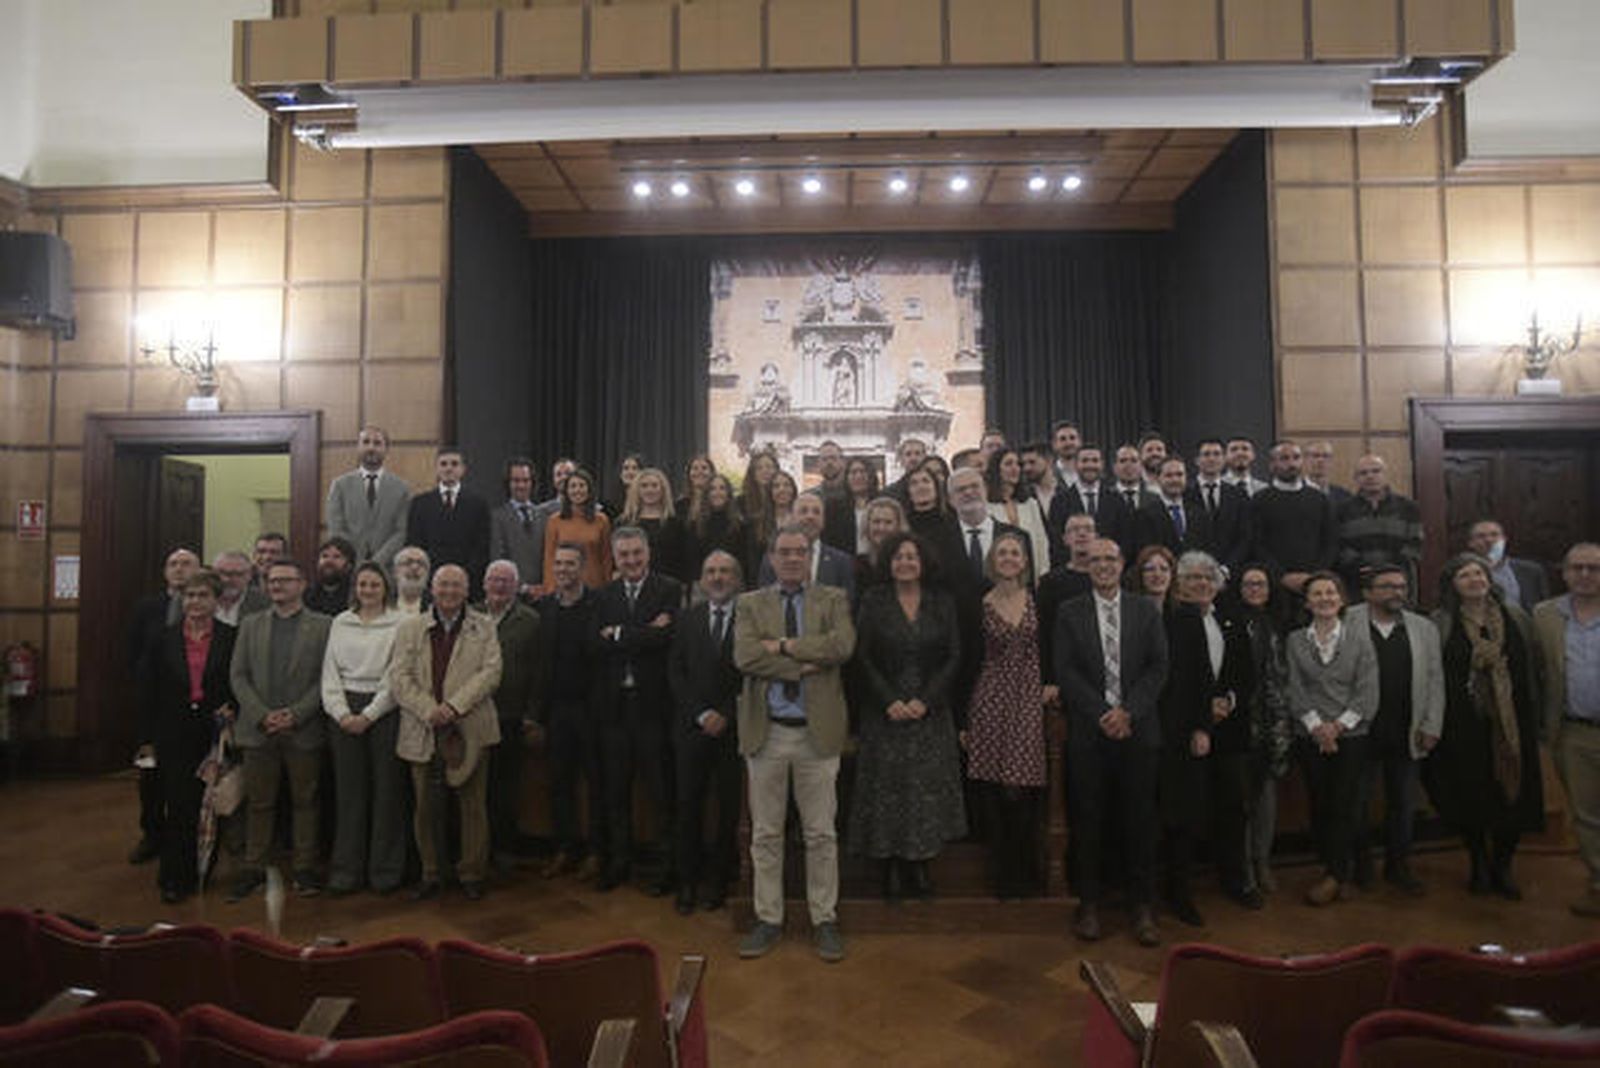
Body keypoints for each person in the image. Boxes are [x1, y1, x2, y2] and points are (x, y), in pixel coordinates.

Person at [734, 524, 857, 963]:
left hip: (816, 732)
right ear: (770, 557)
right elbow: (745, 656)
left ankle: (824, 919)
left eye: (799, 552)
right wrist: (799, 666)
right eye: (783, 552)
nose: (791, 559)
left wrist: (783, 646)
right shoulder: (749, 603)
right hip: (766, 733)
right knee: (766, 833)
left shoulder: (833, 599)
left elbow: (842, 646)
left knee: (821, 833)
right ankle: (768, 918)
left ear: (810, 557)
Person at [1058, 539, 1168, 946]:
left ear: (1123, 565)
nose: (1103, 565)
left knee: (1139, 820)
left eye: (1110, 559)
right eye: (1095, 559)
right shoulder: (1070, 611)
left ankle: (1142, 906)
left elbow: (1159, 667)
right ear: (1085, 565)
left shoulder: (1144, 609)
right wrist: (1103, 713)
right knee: (1088, 819)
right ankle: (1089, 903)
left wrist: (1128, 713)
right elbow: (1065, 671)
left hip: (1138, 731)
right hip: (1090, 732)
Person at [850, 533, 966, 901]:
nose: (905, 563)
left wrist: (926, 700)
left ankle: (920, 866)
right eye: (898, 557)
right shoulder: (873, 600)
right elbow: (862, 656)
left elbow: (954, 655)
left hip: (930, 714)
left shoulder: (942, 601)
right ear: (888, 562)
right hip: (884, 713)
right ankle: (890, 868)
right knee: (887, 790)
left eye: (912, 557)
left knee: (924, 793)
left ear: (923, 562)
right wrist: (888, 700)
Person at [1429, 552, 1542, 900]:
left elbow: (1534, 666)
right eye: (1464, 575)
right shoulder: (1440, 622)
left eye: (1479, 573)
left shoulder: (1517, 617)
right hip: (1464, 728)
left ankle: (1503, 867)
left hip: (1512, 725)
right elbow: (1434, 674)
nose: (1474, 579)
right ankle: (1478, 862)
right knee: (1471, 796)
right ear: (1452, 584)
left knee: (1513, 797)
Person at [390, 563, 503, 901]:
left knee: (472, 805)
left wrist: (454, 707)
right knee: (425, 805)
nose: (449, 591)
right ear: (432, 589)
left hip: (471, 726)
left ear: (467, 590)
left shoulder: (484, 626)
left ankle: (471, 872)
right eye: (443, 585)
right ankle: (430, 872)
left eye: (457, 585)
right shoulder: (410, 628)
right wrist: (430, 710)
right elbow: (399, 677)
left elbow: (491, 672)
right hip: (423, 727)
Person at [1159, 552, 1256, 925]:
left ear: (1217, 584)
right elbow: (1177, 680)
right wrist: (1202, 714)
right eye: (1192, 578)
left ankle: (1235, 881)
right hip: (1186, 732)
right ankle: (1180, 892)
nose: (1200, 583)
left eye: (1207, 578)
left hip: (1229, 730)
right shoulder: (1172, 622)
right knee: (1184, 814)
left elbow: (1246, 670)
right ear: (1179, 584)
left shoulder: (1231, 619)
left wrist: (1228, 700)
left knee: (1233, 807)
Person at [227, 559, 333, 902]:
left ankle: (304, 868)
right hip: (258, 730)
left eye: (285, 581)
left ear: (302, 584)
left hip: (304, 729)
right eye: (271, 581)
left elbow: (327, 679)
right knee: (259, 803)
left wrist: (296, 714)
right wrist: (261, 714)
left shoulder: (324, 626)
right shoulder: (250, 624)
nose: (276, 586)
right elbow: (238, 676)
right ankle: (254, 867)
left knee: (306, 801)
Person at [592, 526, 682, 893]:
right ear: (614, 557)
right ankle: (619, 863)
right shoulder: (602, 595)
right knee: (616, 793)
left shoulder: (669, 589)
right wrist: (643, 633)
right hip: (614, 710)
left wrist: (618, 634)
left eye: (636, 553)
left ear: (648, 553)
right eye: (624, 554)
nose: (631, 560)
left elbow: (667, 638)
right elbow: (593, 645)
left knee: (661, 793)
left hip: (653, 708)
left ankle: (665, 869)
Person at [1344, 564, 1443, 895]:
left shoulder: (1423, 628)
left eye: (1401, 587)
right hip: (1360, 730)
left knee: (1403, 803)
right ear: (1368, 593)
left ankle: (1399, 865)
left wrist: (1432, 725)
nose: (1396, 592)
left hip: (1408, 728)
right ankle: (1361, 864)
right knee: (1356, 802)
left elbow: (1434, 680)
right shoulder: (1347, 620)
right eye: (1386, 587)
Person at [1285, 572, 1378, 907]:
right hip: (1310, 734)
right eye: (1317, 593)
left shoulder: (1360, 638)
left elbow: (1367, 691)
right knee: (1321, 803)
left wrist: (1336, 728)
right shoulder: (1295, 640)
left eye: (1331, 592)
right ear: (1307, 602)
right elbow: (1294, 688)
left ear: (1341, 600)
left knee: (1346, 804)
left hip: (1352, 735)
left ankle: (1336, 876)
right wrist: (1317, 728)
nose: (1324, 598)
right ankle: (1338, 869)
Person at [964, 531, 1046, 900]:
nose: (1009, 558)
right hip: (990, 698)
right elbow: (969, 659)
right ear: (992, 560)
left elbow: (1052, 646)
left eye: (1016, 552)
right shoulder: (978, 603)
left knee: (1022, 788)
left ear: (1026, 560)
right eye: (1003, 553)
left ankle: (1028, 869)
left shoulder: (1038, 598)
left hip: (1028, 696)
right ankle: (1003, 874)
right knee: (995, 789)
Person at [148, 569, 236, 903]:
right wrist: (146, 736)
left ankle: (204, 869)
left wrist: (233, 709)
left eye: (203, 595)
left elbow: (237, 681)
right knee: (180, 803)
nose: (195, 602)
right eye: (190, 596)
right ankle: (174, 877)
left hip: (215, 731)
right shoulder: (163, 638)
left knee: (210, 803)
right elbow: (148, 690)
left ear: (217, 601)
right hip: (174, 730)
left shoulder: (232, 636)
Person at [319, 561, 405, 896]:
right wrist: (341, 713)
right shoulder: (341, 621)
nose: (368, 591)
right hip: (343, 712)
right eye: (362, 585)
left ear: (386, 588)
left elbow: (396, 676)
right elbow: (329, 673)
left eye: (374, 585)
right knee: (349, 794)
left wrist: (369, 714)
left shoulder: (401, 623)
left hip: (384, 710)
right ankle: (346, 870)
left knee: (387, 793)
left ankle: (384, 871)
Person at [667, 550, 745, 914]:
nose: (717, 577)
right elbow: (675, 672)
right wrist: (701, 713)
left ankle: (718, 879)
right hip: (692, 728)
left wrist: (726, 714)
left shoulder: (752, 619)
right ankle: (688, 881)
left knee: (729, 808)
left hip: (735, 729)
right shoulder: (687, 619)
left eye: (725, 571)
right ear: (700, 580)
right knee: (688, 806)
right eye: (711, 571)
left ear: (737, 579)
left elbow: (753, 675)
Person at [1532, 543, 1600, 917]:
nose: (1586, 575)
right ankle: (1598, 882)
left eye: (1594, 568)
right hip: (1575, 733)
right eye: (1578, 568)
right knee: (1587, 815)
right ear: (1565, 572)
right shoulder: (1545, 615)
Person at [534, 544, 605, 880]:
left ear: (582, 567)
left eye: (570, 564)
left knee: (595, 784)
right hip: (557, 708)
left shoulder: (598, 603)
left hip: (591, 708)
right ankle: (565, 848)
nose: (563, 569)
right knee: (559, 783)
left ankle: (595, 850)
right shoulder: (544, 607)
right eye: (558, 563)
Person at [128, 547, 200, 866]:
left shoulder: (206, 606)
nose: (179, 569)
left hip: (193, 707)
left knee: (188, 779)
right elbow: (132, 652)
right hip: (154, 706)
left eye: (186, 564)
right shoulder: (147, 607)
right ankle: (152, 834)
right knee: (151, 774)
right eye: (173, 564)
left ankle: (187, 839)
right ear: (164, 571)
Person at [481, 559, 544, 872]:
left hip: (510, 714)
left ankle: (504, 848)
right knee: (474, 784)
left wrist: (532, 715)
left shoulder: (530, 620)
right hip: (473, 715)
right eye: (494, 579)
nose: (499, 585)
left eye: (506, 580)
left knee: (505, 787)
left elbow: (538, 671)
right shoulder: (471, 615)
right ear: (484, 583)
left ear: (516, 585)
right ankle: (475, 848)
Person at [1235, 564, 1290, 896]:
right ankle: (1244, 868)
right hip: (1241, 722)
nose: (1255, 589)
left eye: (1260, 583)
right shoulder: (1231, 621)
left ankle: (1262, 860)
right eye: (1248, 584)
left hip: (1274, 721)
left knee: (1267, 799)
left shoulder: (1280, 624)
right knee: (1242, 800)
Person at [1252, 441, 1338, 610]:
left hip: (1315, 584)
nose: (1291, 464)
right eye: (1284, 458)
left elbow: (1330, 542)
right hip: (1275, 583)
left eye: (1296, 458)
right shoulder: (1259, 500)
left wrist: (1314, 576)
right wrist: (1282, 576)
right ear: (1272, 465)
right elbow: (1255, 543)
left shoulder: (1320, 499)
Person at [406, 447, 492, 600]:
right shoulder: (420, 504)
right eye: (444, 464)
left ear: (463, 469)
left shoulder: (478, 504)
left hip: (468, 585)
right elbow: (415, 545)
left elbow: (482, 547)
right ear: (437, 469)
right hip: (431, 584)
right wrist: (434, 577)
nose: (449, 468)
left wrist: (462, 577)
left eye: (454, 464)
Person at [325, 425, 410, 572]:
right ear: (358, 447)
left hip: (387, 568)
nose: (371, 447)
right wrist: (356, 559)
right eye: (365, 442)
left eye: (377, 443)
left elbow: (401, 531)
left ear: (386, 449)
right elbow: (336, 529)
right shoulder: (340, 485)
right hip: (349, 567)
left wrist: (377, 561)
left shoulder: (402, 488)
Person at [1336, 454, 1423, 596]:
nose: (1370, 476)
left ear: (1385, 474)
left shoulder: (1408, 507)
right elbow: (1340, 545)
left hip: (1398, 583)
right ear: (1356, 478)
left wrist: (1387, 571)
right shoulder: (1343, 509)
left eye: (1376, 471)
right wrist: (1361, 566)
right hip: (1358, 583)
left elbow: (1415, 545)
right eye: (1363, 473)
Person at [1038, 514, 1097, 700]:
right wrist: (1048, 679)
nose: (1082, 534)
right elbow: (1044, 634)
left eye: (1088, 529)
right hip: (1064, 675)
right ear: (1065, 539)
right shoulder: (1050, 582)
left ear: (1097, 536)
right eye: (1074, 529)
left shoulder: (1110, 579)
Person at [756, 493, 856, 600]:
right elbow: (764, 602)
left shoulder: (841, 561)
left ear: (823, 520)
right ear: (792, 517)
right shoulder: (771, 558)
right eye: (803, 511)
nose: (810, 516)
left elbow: (846, 604)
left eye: (816, 512)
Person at [985, 447, 1050, 586]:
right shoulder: (986, 506)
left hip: (1030, 578)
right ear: (996, 469)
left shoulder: (1030, 504)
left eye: (1017, 464)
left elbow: (1041, 543)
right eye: (1008, 464)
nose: (1015, 468)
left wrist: (1043, 577)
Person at [1058, 444, 1134, 562]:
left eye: (1095, 460)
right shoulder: (1060, 500)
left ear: (1102, 464)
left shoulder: (1117, 499)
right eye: (1085, 461)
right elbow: (1057, 542)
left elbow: (1125, 540)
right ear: (1075, 465)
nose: (1090, 465)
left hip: (1109, 570)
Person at [541, 466, 612, 592]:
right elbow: (549, 559)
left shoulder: (602, 520)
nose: (577, 490)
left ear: (589, 490)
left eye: (581, 485)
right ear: (566, 491)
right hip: (563, 589)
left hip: (595, 587)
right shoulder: (554, 521)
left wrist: (609, 588)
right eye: (573, 486)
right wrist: (550, 590)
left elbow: (606, 558)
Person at [1189, 439, 1253, 575]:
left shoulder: (1239, 495)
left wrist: (1226, 568)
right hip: (1194, 572)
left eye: (1217, 454)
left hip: (1230, 573)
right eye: (1206, 454)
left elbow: (1245, 537)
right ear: (1197, 460)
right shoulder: (1185, 493)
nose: (1211, 458)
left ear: (1224, 459)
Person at [620, 467, 689, 585]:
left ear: (663, 489)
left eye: (654, 485)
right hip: (632, 587)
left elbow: (683, 560)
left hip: (668, 587)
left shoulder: (676, 524)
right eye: (644, 486)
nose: (649, 490)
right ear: (637, 490)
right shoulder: (624, 522)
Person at [489, 456, 546, 597]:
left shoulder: (545, 516)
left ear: (532, 483)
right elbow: (498, 558)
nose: (521, 485)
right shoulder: (497, 517)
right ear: (508, 483)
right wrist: (523, 588)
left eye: (526, 480)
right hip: (511, 595)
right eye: (516, 481)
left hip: (544, 594)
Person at [1468, 519, 1549, 614]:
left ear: (1504, 540)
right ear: (1471, 543)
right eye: (1481, 536)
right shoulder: (1461, 573)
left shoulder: (1531, 570)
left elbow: (1544, 607)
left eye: (1494, 535)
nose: (1489, 540)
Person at [685, 473, 745, 585]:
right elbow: (692, 561)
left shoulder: (740, 525)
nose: (717, 492)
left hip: (733, 583)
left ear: (729, 493)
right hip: (704, 584)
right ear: (707, 494)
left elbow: (743, 561)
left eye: (722, 488)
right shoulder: (695, 525)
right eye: (712, 489)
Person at [823, 455, 879, 556]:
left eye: (863, 472)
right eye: (853, 472)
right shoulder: (833, 507)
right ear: (846, 477)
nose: (858, 476)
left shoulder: (882, 503)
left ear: (871, 476)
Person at [855, 496, 908, 595]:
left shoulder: (908, 563)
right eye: (876, 522)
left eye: (888, 522)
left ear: (898, 526)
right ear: (867, 525)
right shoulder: (857, 566)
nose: (881, 528)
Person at [212, 551, 268, 626]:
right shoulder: (200, 600)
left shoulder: (264, 604)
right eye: (222, 573)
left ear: (249, 575)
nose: (226, 579)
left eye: (236, 574)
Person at [305, 537, 356, 617]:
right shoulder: (307, 595)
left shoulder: (355, 595)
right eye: (324, 556)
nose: (329, 561)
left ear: (349, 565)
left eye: (337, 557)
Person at [1303, 440, 1352, 506]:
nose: (1320, 460)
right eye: (1315, 456)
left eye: (1325, 456)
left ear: (1332, 461)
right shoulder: (1293, 493)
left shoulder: (1344, 496)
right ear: (1306, 460)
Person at [1130, 544, 1176, 613]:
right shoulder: (1127, 612)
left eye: (1164, 569)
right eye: (1150, 569)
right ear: (1140, 574)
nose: (1157, 574)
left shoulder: (1186, 614)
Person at [886, 438, 929, 504]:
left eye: (917, 454)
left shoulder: (933, 489)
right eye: (908, 454)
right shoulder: (891, 492)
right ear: (901, 459)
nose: (913, 458)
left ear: (925, 457)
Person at [392, 545, 431, 615]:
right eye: (408, 563)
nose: (414, 567)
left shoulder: (437, 606)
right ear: (395, 572)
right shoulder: (381, 603)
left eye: (421, 563)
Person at [606, 453, 643, 520]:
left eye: (634, 468)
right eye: (626, 468)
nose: (630, 472)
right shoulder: (612, 502)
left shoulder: (647, 500)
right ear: (620, 473)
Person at [1051, 420, 1080, 489]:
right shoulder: (1048, 475)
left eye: (1072, 438)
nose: (1068, 443)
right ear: (1054, 444)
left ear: (1079, 442)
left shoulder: (1090, 473)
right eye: (1063, 439)